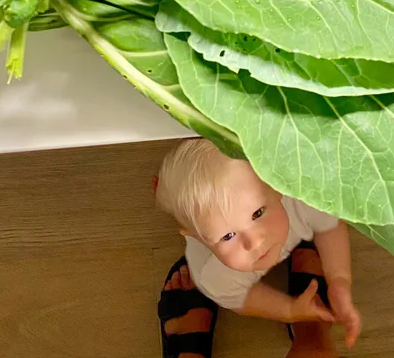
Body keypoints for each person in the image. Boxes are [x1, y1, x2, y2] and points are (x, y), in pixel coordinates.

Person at [154, 138, 361, 358]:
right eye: (228, 236)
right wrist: (288, 310)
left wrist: (339, 280)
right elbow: (241, 298)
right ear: (199, 239)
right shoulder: (213, 274)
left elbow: (330, 227)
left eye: (258, 213)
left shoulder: (303, 199)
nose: (253, 243)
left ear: (277, 188)